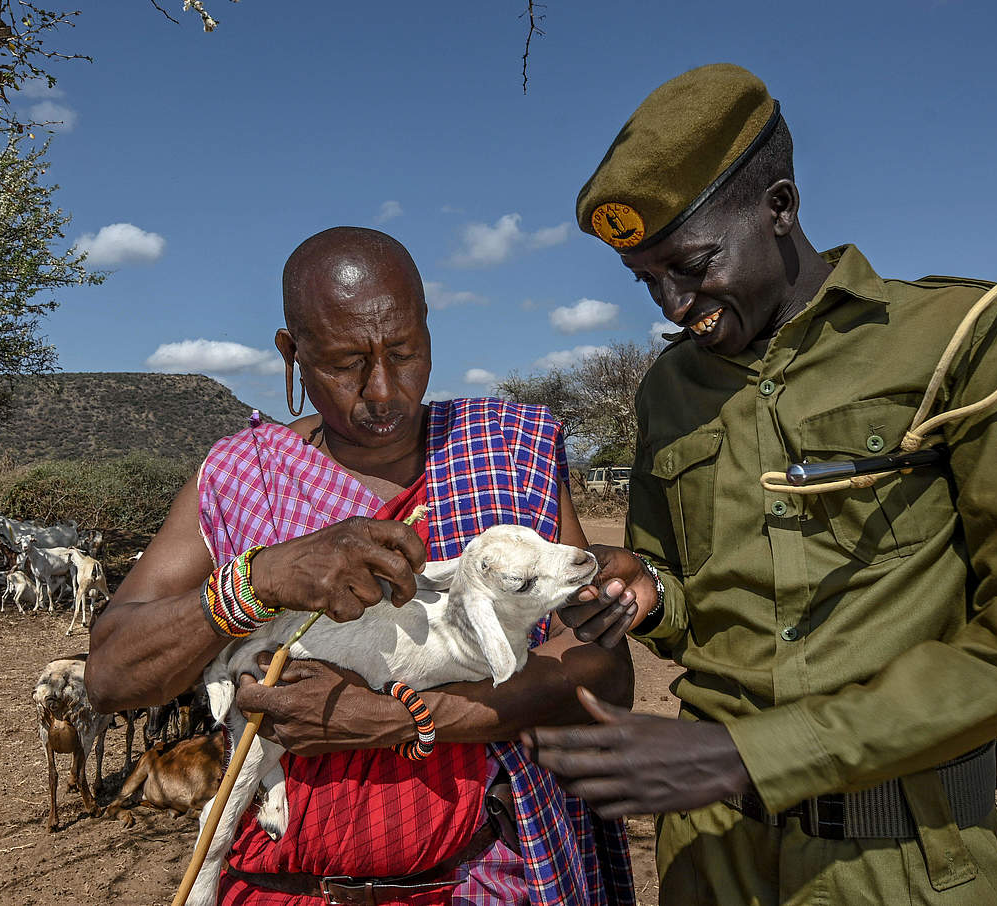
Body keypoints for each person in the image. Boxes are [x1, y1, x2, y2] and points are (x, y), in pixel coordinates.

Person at [524, 63, 997, 905]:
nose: (673, 304)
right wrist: (649, 596)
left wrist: (749, 757)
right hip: (711, 855)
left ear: (781, 207)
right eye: (646, 279)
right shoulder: (669, 389)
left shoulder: (963, 341)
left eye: (691, 265)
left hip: (902, 863)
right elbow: (689, 599)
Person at [86, 226, 638, 906]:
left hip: (479, 879)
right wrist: (257, 581)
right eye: (347, 362)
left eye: (404, 352)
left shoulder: (504, 451)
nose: (383, 390)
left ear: (429, 331)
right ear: (293, 353)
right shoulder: (241, 477)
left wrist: (405, 717)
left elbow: (603, 671)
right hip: (280, 887)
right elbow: (110, 674)